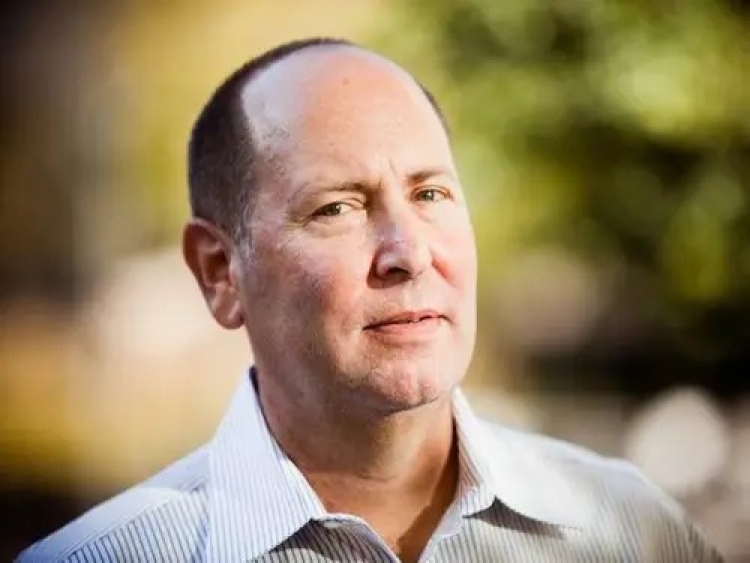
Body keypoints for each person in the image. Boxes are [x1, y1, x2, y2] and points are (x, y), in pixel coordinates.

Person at [17, 37, 723, 563]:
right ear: (220, 273)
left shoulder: (633, 532)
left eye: (431, 193)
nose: (408, 252)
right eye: (336, 208)